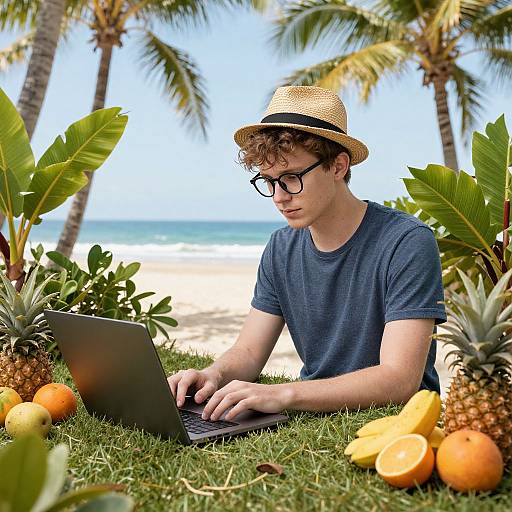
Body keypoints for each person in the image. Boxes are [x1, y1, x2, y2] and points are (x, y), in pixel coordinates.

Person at [167, 86, 446, 423]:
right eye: (269, 181)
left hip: (401, 424)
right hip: (317, 413)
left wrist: (284, 393)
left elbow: (399, 379)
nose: (279, 197)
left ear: (338, 166)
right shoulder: (280, 248)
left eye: (291, 178)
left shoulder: (406, 241)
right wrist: (213, 375)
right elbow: (249, 352)